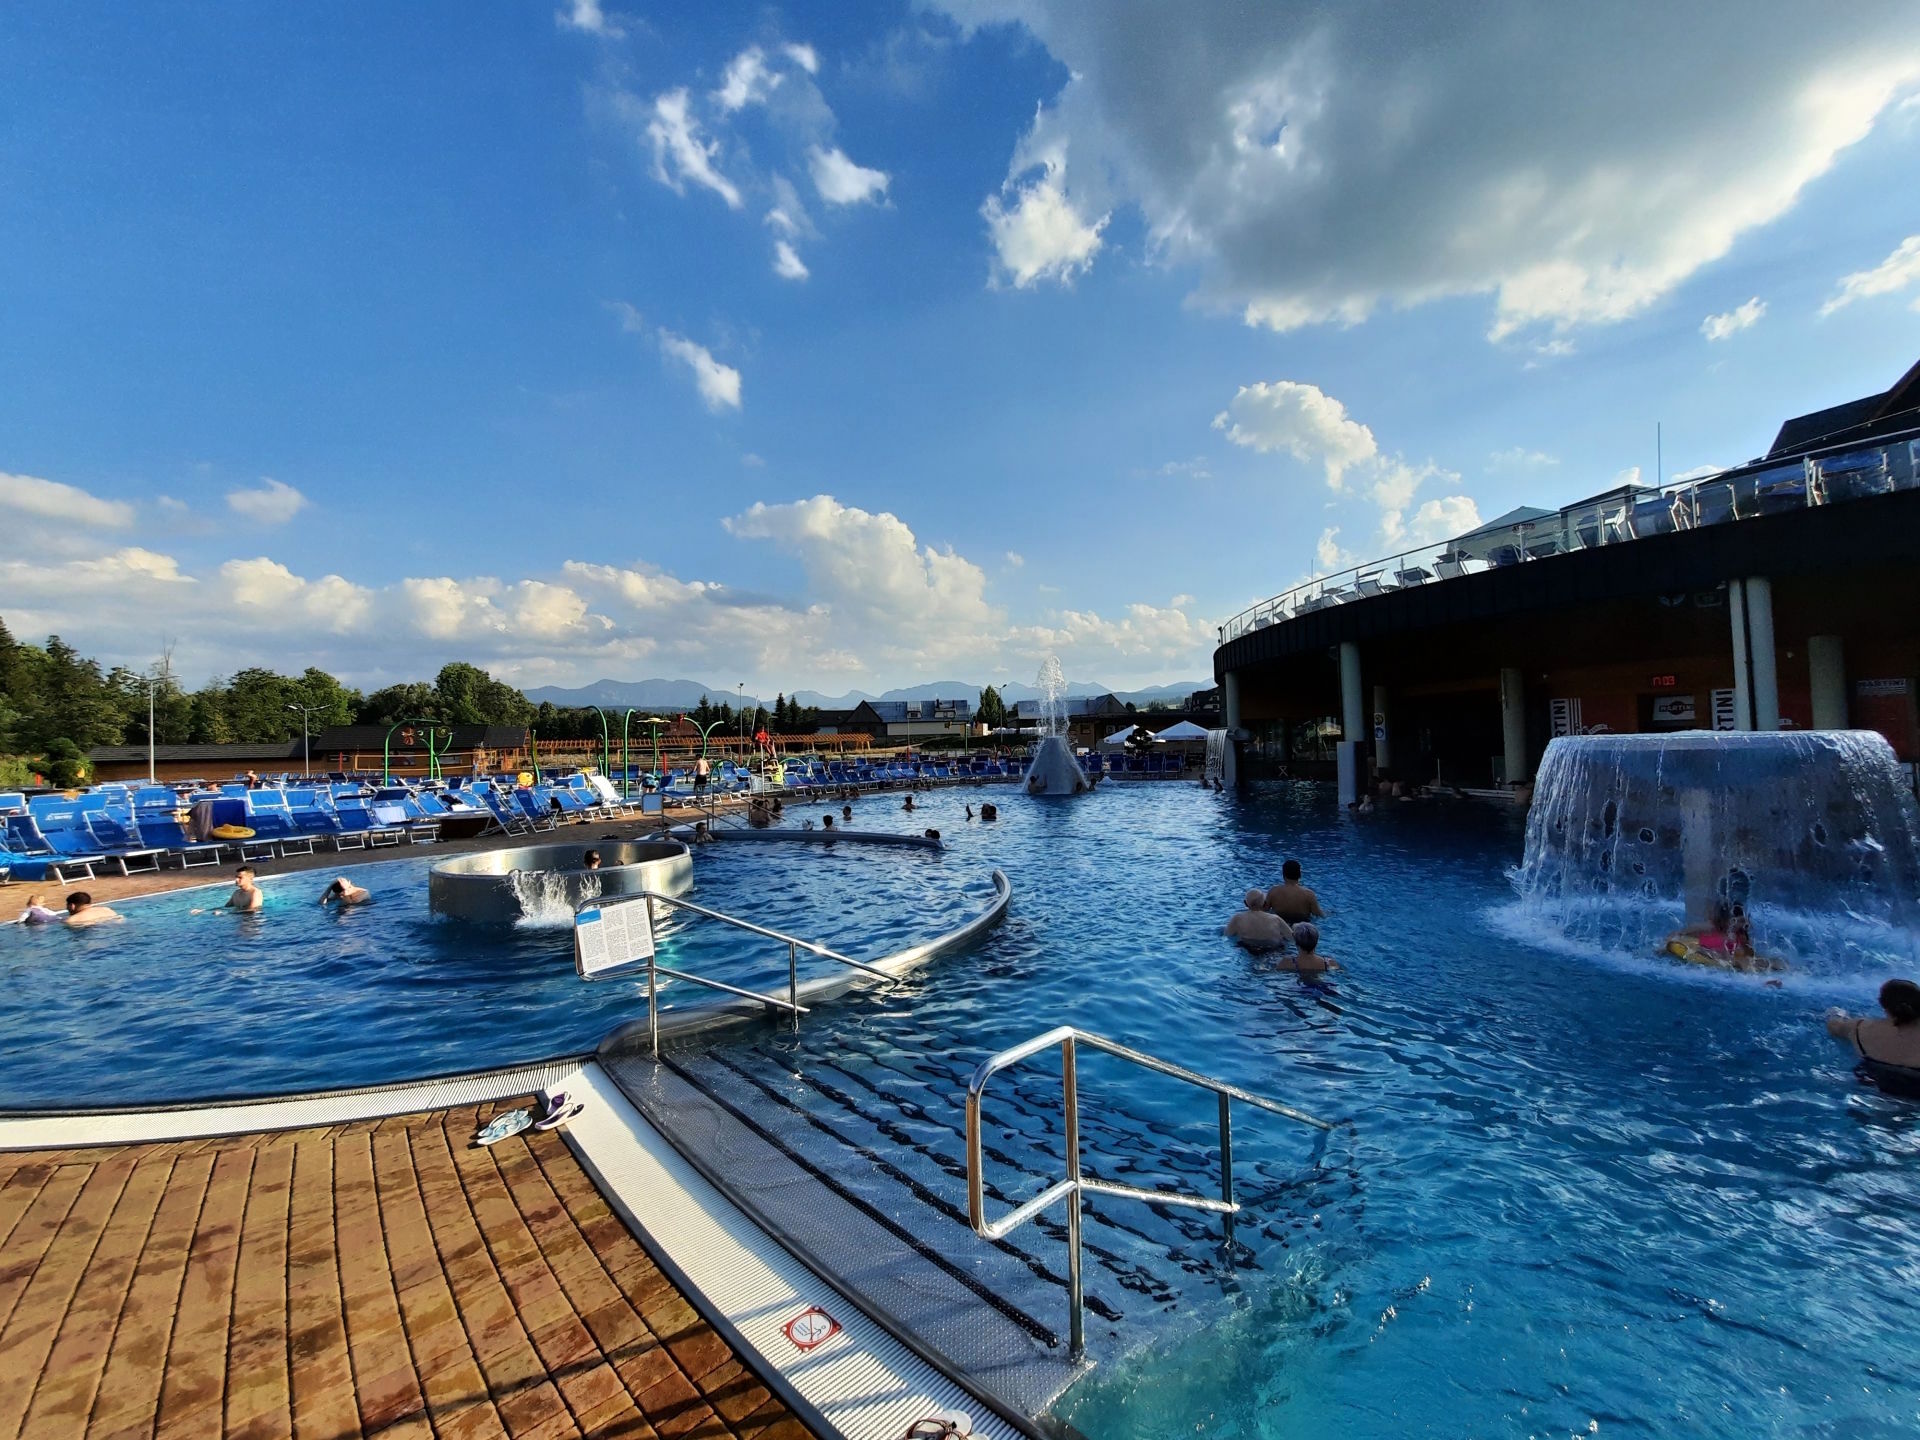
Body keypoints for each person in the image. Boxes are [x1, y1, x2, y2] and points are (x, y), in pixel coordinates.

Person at [1828, 980, 1920, 1093]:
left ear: (1882, 1003)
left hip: (1876, 1093)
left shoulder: (1858, 1028)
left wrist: (1836, 1014)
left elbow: (1834, 1027)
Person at [1224, 889, 1289, 951]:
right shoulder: (1276, 919)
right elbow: (1292, 937)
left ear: (1245, 903)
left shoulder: (1237, 918)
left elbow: (1227, 935)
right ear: (1264, 903)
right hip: (1272, 947)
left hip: (1248, 947)